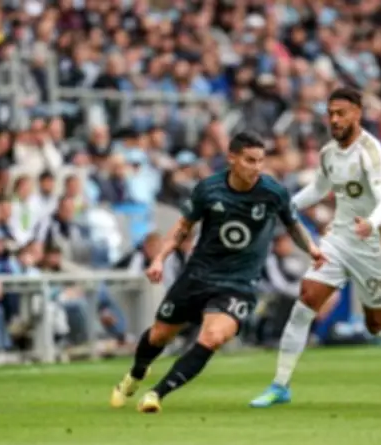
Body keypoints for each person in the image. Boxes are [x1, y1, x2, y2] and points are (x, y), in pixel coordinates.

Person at [109, 131, 325, 413]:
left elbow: (293, 225)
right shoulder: (209, 189)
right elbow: (183, 227)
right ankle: (136, 374)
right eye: (250, 160)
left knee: (212, 338)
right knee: (160, 335)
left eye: (260, 161)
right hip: (198, 275)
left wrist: (312, 248)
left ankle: (157, 393)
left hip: (239, 283)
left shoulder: (273, 192)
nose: (256, 167)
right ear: (232, 159)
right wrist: (159, 258)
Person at [250, 87, 381, 408]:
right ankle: (280, 385)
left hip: (374, 246)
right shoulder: (329, 152)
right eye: (330, 113)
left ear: (357, 113)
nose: (334, 119)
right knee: (306, 300)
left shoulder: (372, 152)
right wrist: (285, 207)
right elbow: (319, 188)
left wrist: (370, 223)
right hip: (340, 238)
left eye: (341, 113)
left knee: (378, 324)